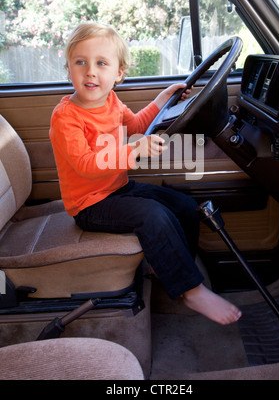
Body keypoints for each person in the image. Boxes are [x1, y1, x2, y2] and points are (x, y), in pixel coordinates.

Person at [49, 22, 241, 325]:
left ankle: (171, 268)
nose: (90, 72)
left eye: (101, 63)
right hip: (89, 203)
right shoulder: (66, 117)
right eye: (80, 62)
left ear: (119, 73)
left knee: (183, 206)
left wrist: (163, 99)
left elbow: (137, 125)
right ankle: (190, 290)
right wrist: (133, 151)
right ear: (68, 69)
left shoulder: (111, 101)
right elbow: (85, 163)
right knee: (152, 214)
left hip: (118, 188)